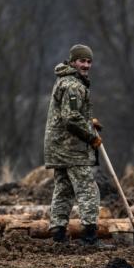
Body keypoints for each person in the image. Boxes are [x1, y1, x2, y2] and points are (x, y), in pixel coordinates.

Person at [43, 44, 104, 246]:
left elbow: (70, 113)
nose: (86, 65)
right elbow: (71, 118)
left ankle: (58, 234)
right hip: (71, 148)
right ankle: (89, 235)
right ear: (72, 61)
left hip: (57, 147)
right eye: (82, 61)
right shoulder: (74, 86)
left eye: (88, 61)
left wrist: (89, 122)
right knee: (87, 189)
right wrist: (91, 136)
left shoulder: (64, 80)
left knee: (63, 189)